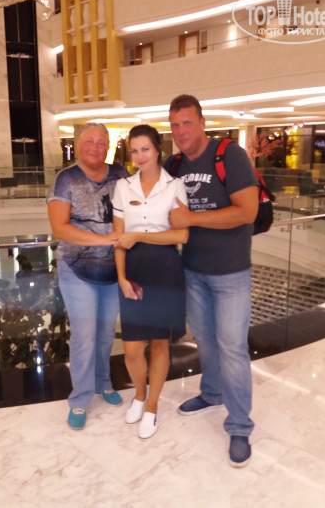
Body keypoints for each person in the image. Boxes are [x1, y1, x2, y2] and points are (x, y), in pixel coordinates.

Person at [165, 95, 258, 467]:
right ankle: (212, 392)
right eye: (175, 125)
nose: (181, 132)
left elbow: (247, 211)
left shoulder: (228, 155)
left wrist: (192, 218)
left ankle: (239, 425)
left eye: (187, 123)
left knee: (232, 347)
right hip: (192, 270)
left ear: (202, 123)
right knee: (204, 339)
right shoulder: (173, 165)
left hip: (231, 272)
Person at [47, 122, 128, 430]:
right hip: (77, 269)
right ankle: (80, 398)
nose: (96, 147)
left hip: (113, 270)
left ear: (109, 146)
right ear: (78, 144)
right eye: (89, 141)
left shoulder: (120, 174)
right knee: (84, 335)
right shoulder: (66, 178)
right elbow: (60, 228)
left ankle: (102, 382)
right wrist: (102, 240)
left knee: (106, 333)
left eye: (102, 142)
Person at [112, 124, 189, 439]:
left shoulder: (175, 186)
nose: (140, 156)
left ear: (158, 150)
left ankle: (152, 406)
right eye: (134, 150)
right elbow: (120, 238)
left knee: (158, 344)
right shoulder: (123, 187)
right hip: (133, 270)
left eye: (145, 149)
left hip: (164, 270)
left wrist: (140, 236)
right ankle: (140, 395)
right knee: (132, 348)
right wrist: (121, 277)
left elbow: (181, 235)